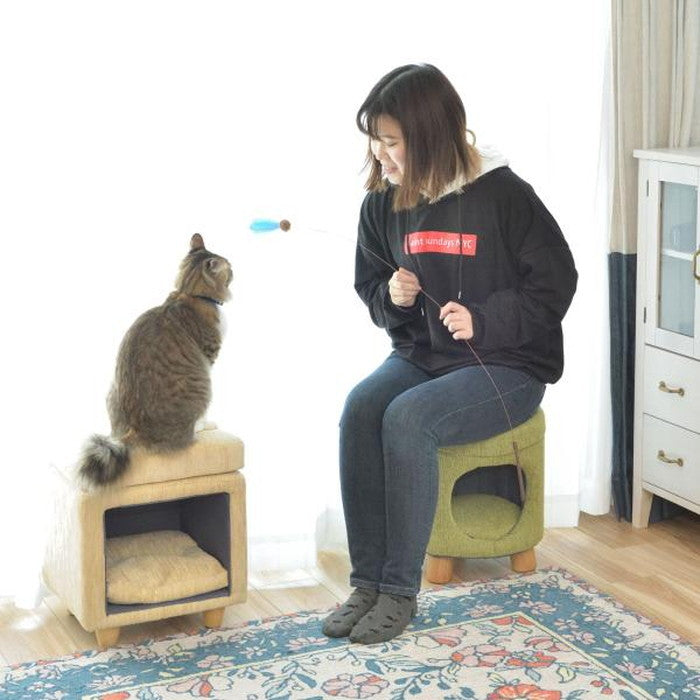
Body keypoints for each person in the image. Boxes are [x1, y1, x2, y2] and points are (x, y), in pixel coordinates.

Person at [321, 64, 577, 645]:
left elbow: (556, 283)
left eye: (391, 141)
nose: (380, 154)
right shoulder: (382, 203)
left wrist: (484, 320)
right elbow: (371, 287)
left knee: (409, 417)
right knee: (361, 407)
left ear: (430, 135)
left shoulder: (505, 195)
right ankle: (367, 585)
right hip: (423, 356)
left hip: (510, 367)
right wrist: (393, 297)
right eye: (375, 140)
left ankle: (398, 592)